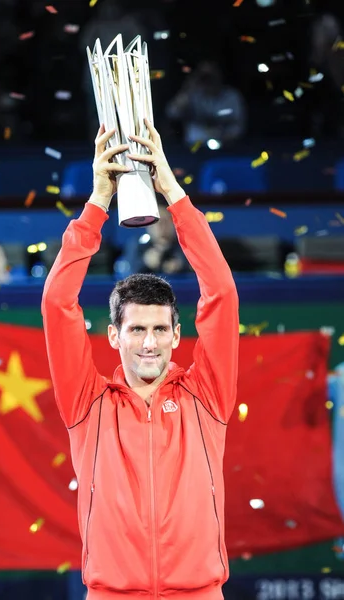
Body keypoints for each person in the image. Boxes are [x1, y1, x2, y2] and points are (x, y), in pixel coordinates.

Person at [42, 119, 239, 600]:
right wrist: (97, 204)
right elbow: (56, 304)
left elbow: (221, 292)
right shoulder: (87, 403)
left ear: (177, 335)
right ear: (113, 336)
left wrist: (171, 190)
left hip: (199, 593)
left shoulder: (205, 395)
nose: (148, 342)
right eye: (136, 330)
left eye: (158, 330)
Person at [166, 60, 246, 147]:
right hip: (194, 148)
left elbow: (239, 124)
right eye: (205, 77)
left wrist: (226, 138)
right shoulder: (193, 95)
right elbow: (172, 112)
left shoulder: (232, 96)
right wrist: (190, 86)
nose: (209, 81)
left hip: (227, 147)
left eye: (211, 76)